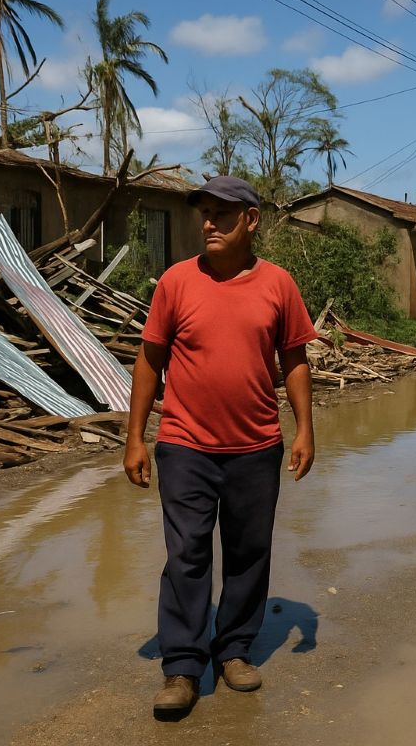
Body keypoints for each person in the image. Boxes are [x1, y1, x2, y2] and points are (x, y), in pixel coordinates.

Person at [124, 175, 318, 718]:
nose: (209, 222)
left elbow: (295, 360)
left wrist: (304, 429)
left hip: (256, 446)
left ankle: (233, 649)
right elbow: (150, 359)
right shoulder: (176, 282)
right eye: (204, 212)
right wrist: (135, 437)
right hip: (185, 444)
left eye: (222, 214)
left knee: (248, 553)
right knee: (186, 554)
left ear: (251, 221)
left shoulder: (278, 285)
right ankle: (183, 666)